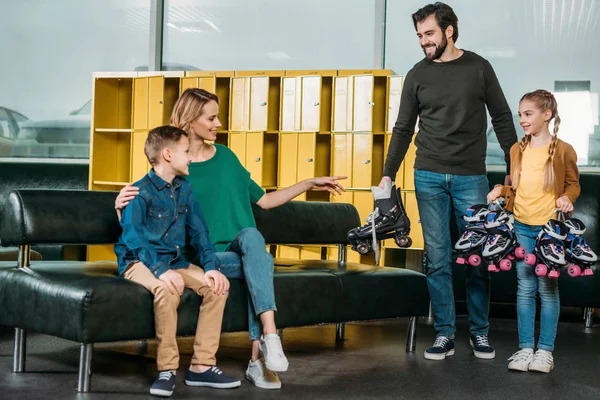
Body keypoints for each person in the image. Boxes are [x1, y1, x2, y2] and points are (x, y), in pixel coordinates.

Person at [116, 88, 346, 389]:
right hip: (201, 258)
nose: (218, 123)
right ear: (191, 119)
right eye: (211, 117)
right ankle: (257, 359)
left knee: (253, 240)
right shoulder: (177, 169)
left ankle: (269, 337)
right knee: (260, 263)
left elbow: (263, 201)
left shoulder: (226, 157)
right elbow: (148, 210)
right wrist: (119, 207)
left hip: (233, 252)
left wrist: (308, 183)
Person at [379, 2, 518, 360]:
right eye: (419, 36)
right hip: (427, 174)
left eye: (429, 34)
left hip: (470, 176)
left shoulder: (479, 68)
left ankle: (480, 333)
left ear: (449, 31)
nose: (424, 41)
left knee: (476, 256)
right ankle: (444, 333)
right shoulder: (417, 74)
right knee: (437, 258)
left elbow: (502, 118)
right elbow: (403, 129)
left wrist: (514, 165)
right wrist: (387, 173)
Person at [115, 125, 241, 397]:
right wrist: (160, 271)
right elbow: (134, 239)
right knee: (166, 290)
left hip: (173, 261)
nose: (191, 158)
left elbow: (199, 232)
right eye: (186, 152)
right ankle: (167, 370)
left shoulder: (185, 190)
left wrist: (211, 268)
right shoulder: (138, 192)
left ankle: (202, 366)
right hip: (138, 262)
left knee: (218, 287)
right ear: (168, 155)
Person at [487, 90, 580, 373]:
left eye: (528, 114)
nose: (522, 120)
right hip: (523, 226)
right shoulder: (517, 150)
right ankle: (526, 348)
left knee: (547, 289)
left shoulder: (563, 149)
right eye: (520, 115)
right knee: (525, 287)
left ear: (546, 115)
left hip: (549, 230)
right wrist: (499, 190)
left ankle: (545, 352)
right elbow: (514, 188)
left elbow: (573, 184)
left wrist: (567, 199)